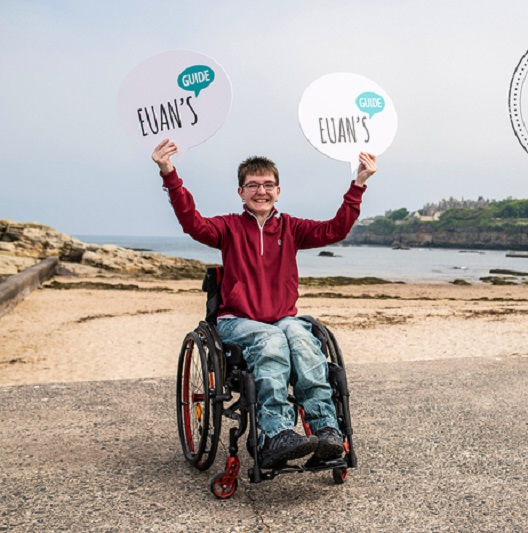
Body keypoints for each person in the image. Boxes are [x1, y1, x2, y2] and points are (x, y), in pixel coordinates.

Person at [152, 138, 377, 466]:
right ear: (241, 192)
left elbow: (336, 230)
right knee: (271, 340)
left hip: (283, 318)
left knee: (303, 340)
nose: (261, 191)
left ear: (278, 191)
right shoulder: (228, 227)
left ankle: (326, 428)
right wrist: (169, 173)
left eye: (268, 185)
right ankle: (275, 434)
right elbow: (192, 223)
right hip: (237, 320)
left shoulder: (292, 228)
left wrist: (358, 185)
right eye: (253, 185)